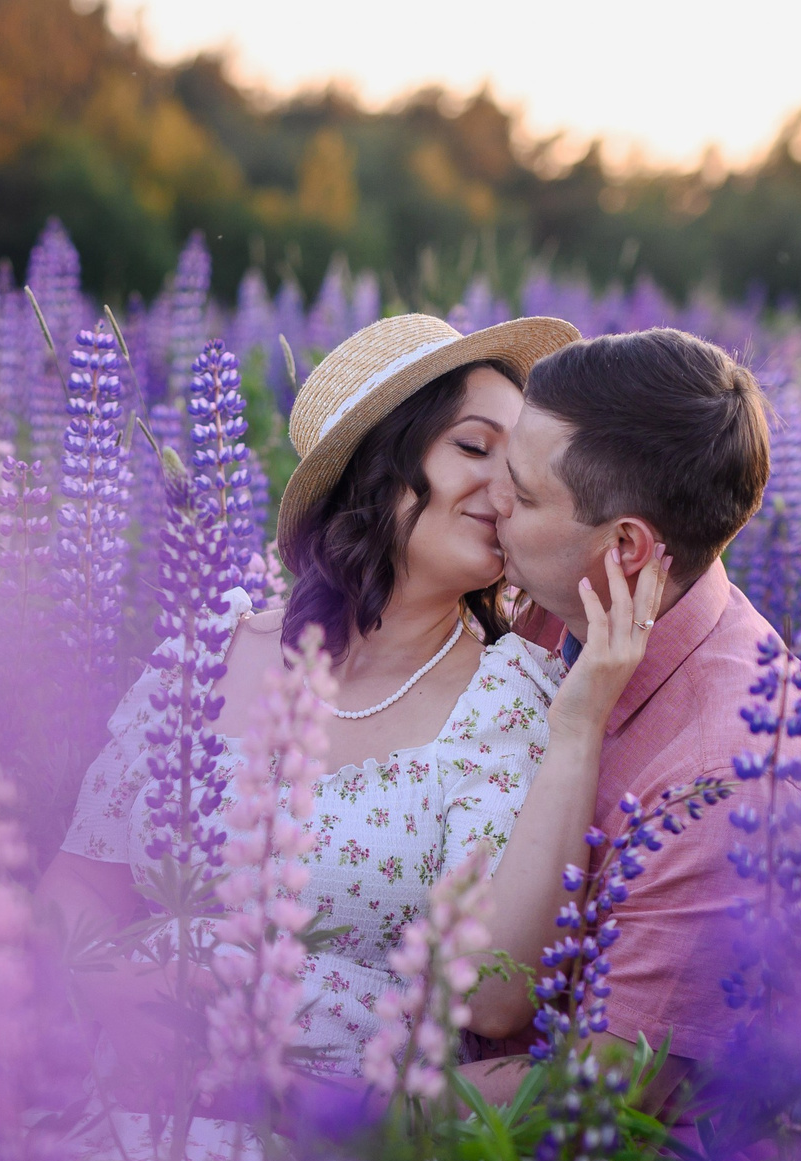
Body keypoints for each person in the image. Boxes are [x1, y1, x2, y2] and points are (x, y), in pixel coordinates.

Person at [38, 310, 587, 1084]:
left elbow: (495, 995)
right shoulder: (203, 658)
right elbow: (78, 887)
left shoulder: (506, 703)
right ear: (376, 464)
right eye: (474, 447)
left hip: (334, 1131)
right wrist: (110, 993)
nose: (507, 489)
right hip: (131, 1102)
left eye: (523, 465)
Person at [475, 326, 801, 1104]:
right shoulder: (559, 606)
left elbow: (599, 1095)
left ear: (626, 546)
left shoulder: (734, 781)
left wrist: (355, 1108)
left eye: (521, 494)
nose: (492, 501)